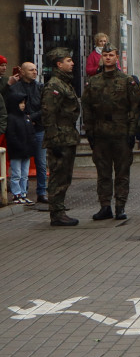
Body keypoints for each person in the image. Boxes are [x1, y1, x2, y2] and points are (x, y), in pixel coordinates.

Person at [82, 44, 140, 220]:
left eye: (111, 55)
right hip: (101, 133)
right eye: (105, 55)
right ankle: (105, 206)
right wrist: (90, 132)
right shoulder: (93, 81)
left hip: (121, 132)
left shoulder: (127, 80)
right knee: (103, 172)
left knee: (122, 172)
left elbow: (134, 107)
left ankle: (120, 206)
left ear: (117, 58)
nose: (108, 57)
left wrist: (132, 132)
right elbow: (87, 108)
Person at [41, 48, 81, 226]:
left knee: (65, 176)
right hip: (60, 137)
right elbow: (48, 114)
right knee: (58, 176)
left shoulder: (65, 83)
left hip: (68, 136)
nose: (72, 63)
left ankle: (59, 209)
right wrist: (53, 139)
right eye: (68, 60)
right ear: (59, 64)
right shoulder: (55, 85)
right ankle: (56, 213)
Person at [7, 61, 47, 203]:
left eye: (35, 69)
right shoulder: (15, 88)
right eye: (31, 70)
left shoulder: (40, 87)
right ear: (22, 72)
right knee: (21, 165)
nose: (35, 72)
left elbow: (45, 107)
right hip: (21, 130)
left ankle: (42, 192)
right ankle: (21, 193)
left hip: (38, 128)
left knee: (41, 163)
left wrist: (31, 118)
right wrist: (25, 120)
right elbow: (13, 107)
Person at [6, 92, 36, 204]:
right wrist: (20, 146)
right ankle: (16, 194)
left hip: (26, 151)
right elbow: (11, 136)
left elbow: (31, 133)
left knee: (24, 174)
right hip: (17, 152)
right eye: (20, 103)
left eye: (24, 103)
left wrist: (31, 146)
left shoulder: (25, 117)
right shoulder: (12, 118)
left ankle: (23, 193)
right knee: (16, 174)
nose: (23, 105)